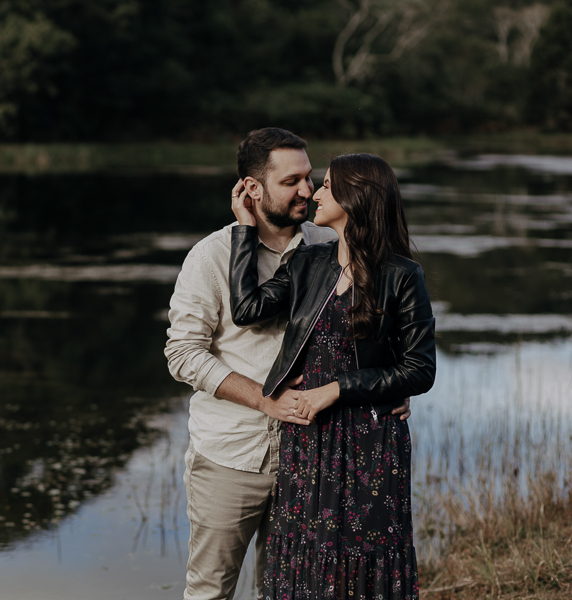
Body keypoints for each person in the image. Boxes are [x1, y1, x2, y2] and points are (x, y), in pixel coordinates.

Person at [165, 128, 410, 600]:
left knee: (290, 590)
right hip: (233, 456)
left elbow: (380, 329)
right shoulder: (212, 256)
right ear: (252, 189)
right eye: (291, 181)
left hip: (317, 456)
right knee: (210, 591)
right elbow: (183, 354)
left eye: (310, 178)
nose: (306, 190)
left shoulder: (328, 244)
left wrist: (390, 388)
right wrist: (266, 400)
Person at [228, 153, 436, 599]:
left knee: (366, 554)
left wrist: (337, 389)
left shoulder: (402, 275)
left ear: (356, 198)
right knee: (304, 556)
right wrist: (244, 227)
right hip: (308, 437)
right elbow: (246, 310)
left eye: (325, 185)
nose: (314, 194)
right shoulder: (308, 263)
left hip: (371, 441)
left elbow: (419, 368)